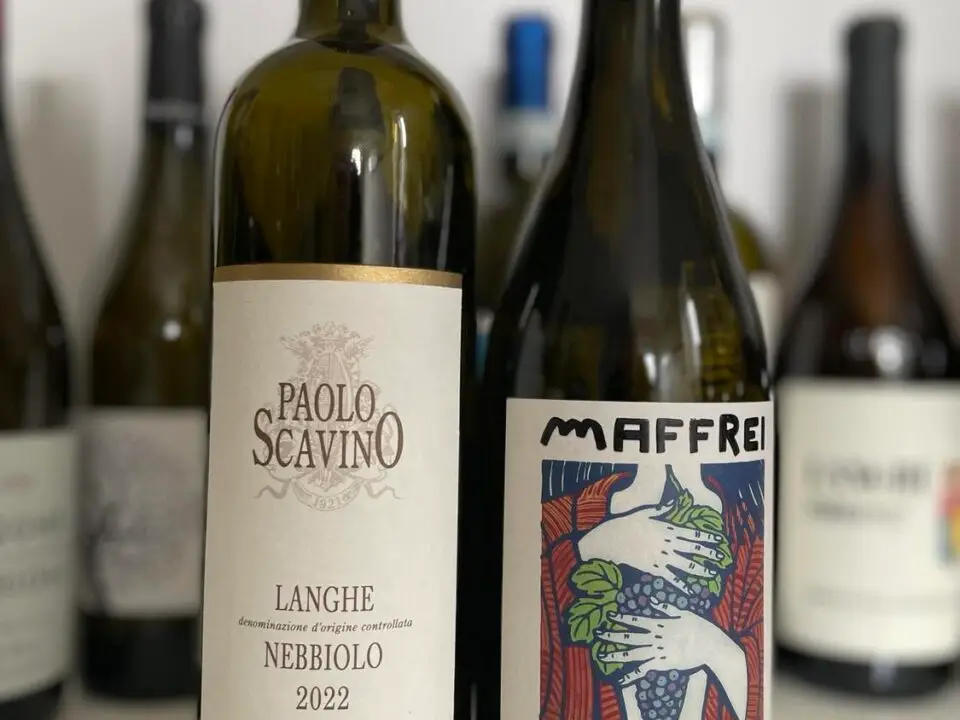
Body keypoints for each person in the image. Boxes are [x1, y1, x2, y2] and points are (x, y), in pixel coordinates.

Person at [539, 460, 764, 720]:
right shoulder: (564, 517)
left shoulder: (747, 533)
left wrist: (715, 648)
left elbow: (757, 689)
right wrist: (593, 544)